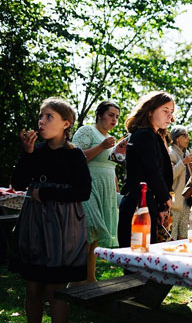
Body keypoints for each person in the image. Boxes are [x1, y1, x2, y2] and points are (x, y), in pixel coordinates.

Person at [12, 98, 92, 323]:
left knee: (56, 290)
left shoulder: (75, 155)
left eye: (49, 117)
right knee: (33, 287)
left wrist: (47, 193)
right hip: (35, 228)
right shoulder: (36, 151)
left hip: (63, 229)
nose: (41, 121)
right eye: (41, 116)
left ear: (66, 124)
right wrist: (26, 154)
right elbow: (18, 184)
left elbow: (83, 191)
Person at [118, 92, 176, 250]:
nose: (169, 116)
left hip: (147, 202)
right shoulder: (144, 135)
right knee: (138, 257)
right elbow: (153, 171)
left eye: (171, 112)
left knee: (146, 255)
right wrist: (166, 198)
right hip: (138, 204)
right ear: (150, 110)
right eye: (165, 110)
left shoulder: (154, 136)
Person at [71, 101, 120, 285]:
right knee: (88, 229)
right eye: (110, 115)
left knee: (95, 237)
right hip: (88, 185)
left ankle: (90, 278)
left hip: (106, 189)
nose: (114, 119)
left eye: (116, 116)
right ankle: (75, 279)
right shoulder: (87, 131)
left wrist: (116, 189)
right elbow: (74, 158)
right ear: (100, 114)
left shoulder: (112, 139)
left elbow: (111, 166)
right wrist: (101, 146)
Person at [168, 126, 192, 239]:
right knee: (172, 235)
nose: (188, 138)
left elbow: (186, 174)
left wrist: (191, 167)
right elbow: (170, 176)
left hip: (186, 199)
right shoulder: (170, 153)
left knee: (184, 235)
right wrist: (184, 162)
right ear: (176, 139)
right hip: (174, 201)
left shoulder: (187, 153)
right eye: (184, 135)